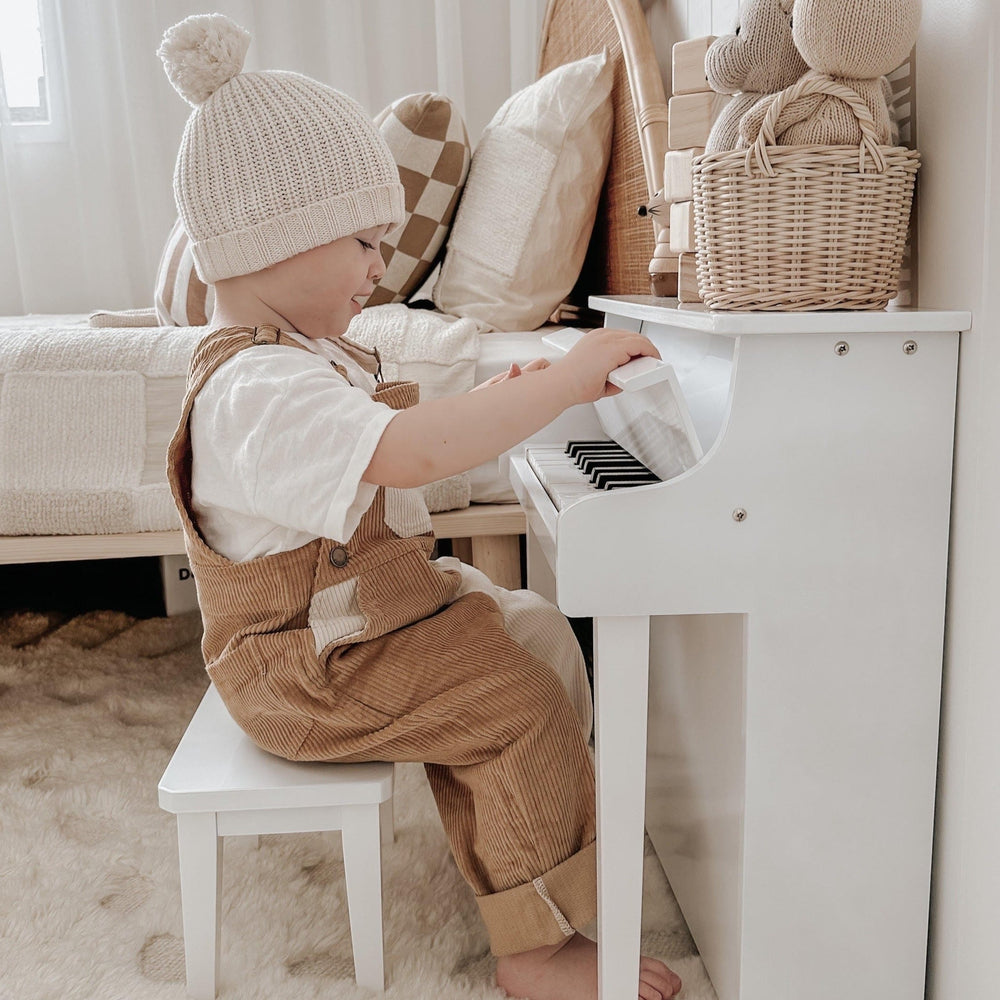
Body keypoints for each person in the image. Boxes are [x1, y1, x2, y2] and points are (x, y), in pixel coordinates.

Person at [160, 14, 681, 1000]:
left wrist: (509, 390)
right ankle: (533, 946)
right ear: (275, 236)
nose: (376, 271)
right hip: (304, 666)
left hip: (345, 625)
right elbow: (405, 452)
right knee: (509, 694)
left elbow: (409, 435)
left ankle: (527, 844)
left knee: (527, 626)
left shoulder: (303, 360)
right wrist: (559, 385)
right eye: (363, 242)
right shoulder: (258, 387)